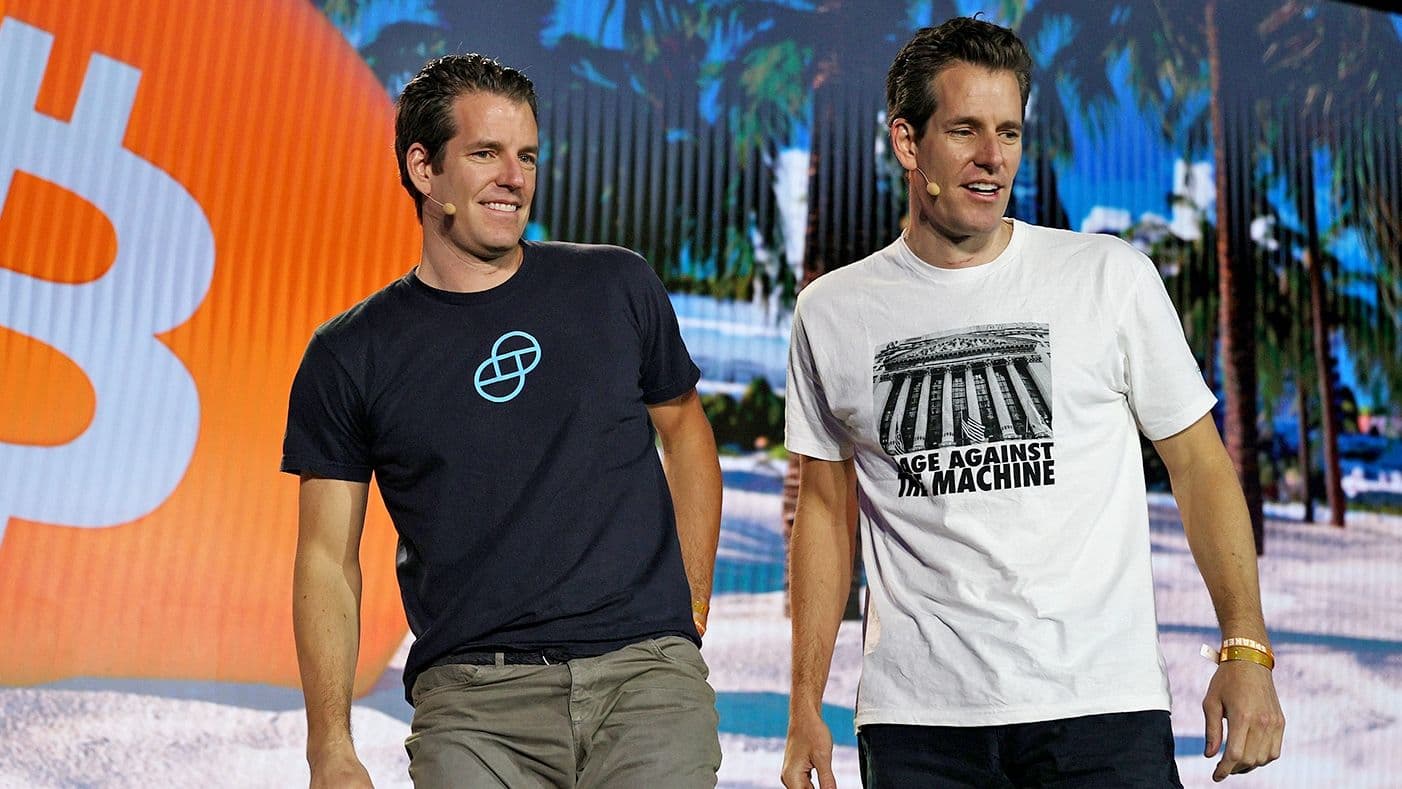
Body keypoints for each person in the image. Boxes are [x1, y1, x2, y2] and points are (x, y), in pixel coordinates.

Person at [780, 17, 1284, 788]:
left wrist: (1245, 648)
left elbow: (1200, 467)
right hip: (918, 726)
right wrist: (804, 700)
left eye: (1009, 131)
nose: (993, 157)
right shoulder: (832, 311)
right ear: (908, 143)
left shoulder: (1107, 276)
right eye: (966, 130)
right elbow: (822, 508)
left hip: (1100, 712)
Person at [283, 54, 723, 789]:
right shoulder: (350, 353)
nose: (514, 177)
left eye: (526, 156)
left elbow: (685, 432)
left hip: (644, 685)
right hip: (474, 706)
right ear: (424, 169)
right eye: (486, 153)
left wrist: (690, 610)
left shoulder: (615, 285)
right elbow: (327, 559)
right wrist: (329, 744)